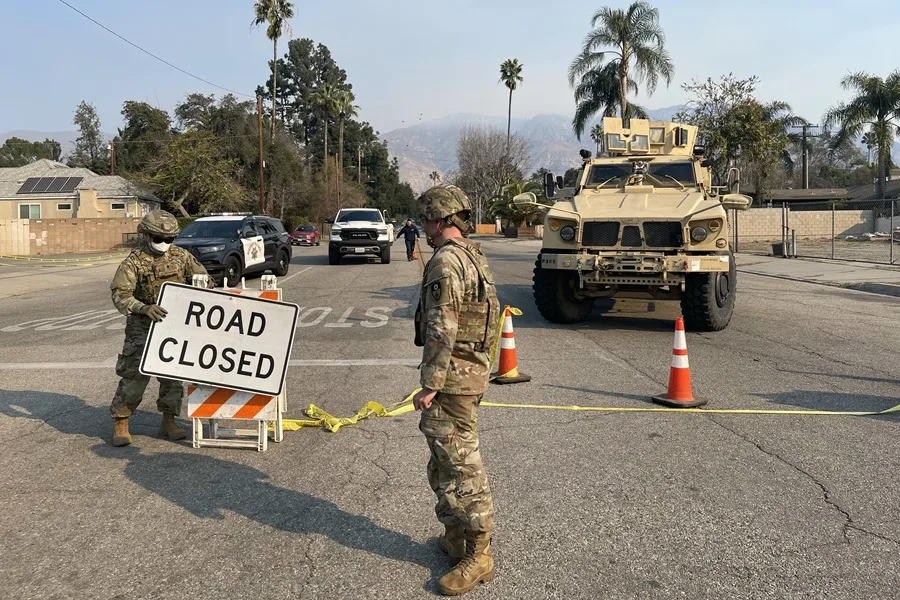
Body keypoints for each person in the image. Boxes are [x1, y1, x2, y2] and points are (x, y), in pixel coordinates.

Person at [411, 185, 501, 596]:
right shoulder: (471, 254)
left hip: (452, 379)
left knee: (462, 464)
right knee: (443, 458)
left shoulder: (447, 262)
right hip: (467, 372)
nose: (424, 227)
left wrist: (429, 384)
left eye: (428, 219)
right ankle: (455, 536)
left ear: (442, 220)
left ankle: (479, 554)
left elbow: (442, 327)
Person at [109, 209, 212, 447]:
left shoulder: (181, 256)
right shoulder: (134, 262)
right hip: (141, 329)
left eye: (169, 239)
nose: (164, 244)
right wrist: (143, 308)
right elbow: (120, 294)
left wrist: (201, 289)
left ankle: (168, 420)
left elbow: (203, 279)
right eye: (159, 239)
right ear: (146, 236)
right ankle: (121, 421)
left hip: (174, 329)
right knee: (134, 376)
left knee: (173, 377)